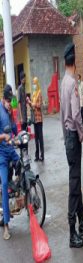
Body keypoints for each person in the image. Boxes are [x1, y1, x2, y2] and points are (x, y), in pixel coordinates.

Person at [60, 43, 83, 248]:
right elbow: (74, 115)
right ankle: (73, 232)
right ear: (75, 62)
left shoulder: (63, 82)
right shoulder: (72, 83)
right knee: (74, 185)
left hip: (67, 137)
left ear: (65, 61)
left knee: (77, 179)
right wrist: (81, 134)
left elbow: (63, 116)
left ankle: (81, 223)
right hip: (73, 136)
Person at [0, 85, 20, 240]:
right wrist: (3, 137)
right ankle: (6, 226)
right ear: (3, 98)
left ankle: (20, 193)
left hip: (11, 150)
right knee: (5, 185)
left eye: (10, 100)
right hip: (1, 154)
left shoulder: (10, 112)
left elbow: (15, 130)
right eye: (7, 100)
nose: (9, 103)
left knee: (22, 165)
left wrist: (19, 135)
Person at [27, 77, 44, 162]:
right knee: (36, 138)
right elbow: (32, 107)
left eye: (34, 83)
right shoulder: (34, 93)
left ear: (37, 83)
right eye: (33, 83)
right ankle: (37, 156)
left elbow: (40, 105)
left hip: (39, 119)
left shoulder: (39, 93)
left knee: (40, 138)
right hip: (35, 119)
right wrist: (29, 103)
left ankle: (42, 156)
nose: (33, 84)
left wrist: (33, 104)